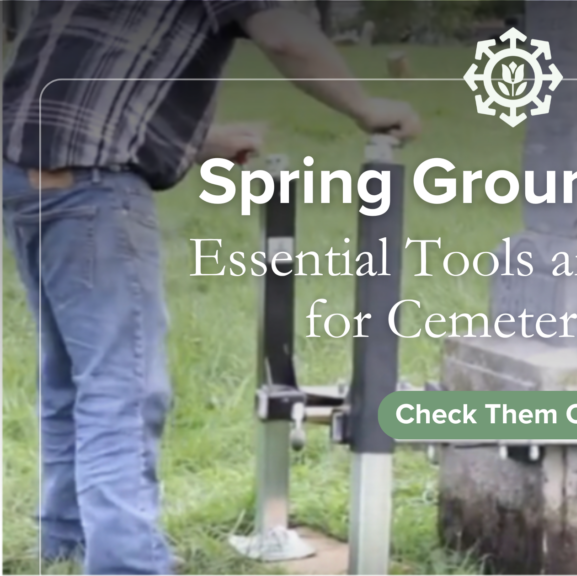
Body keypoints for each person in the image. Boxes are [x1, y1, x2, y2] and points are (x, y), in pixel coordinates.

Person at [2, 2, 421, 574]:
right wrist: (366, 106)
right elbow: (284, 34)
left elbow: (95, 77)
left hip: (23, 171)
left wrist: (199, 141)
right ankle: (128, 564)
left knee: (70, 375)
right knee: (120, 389)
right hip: (91, 183)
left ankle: (67, 541)